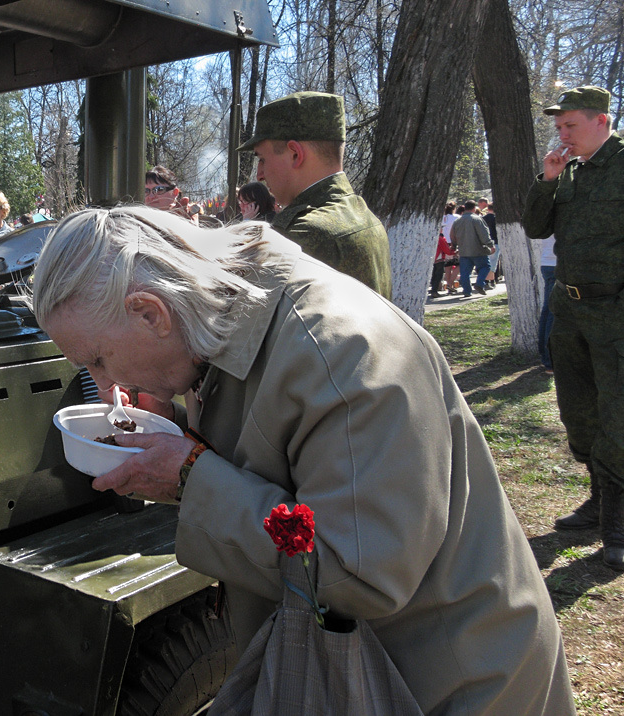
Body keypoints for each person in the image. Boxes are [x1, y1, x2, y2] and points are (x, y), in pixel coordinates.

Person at [32, 205, 574, 716]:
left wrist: (191, 473)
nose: (107, 385)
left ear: (151, 313)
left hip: (446, 684)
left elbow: (358, 573)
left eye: (98, 360)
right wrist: (183, 429)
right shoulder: (219, 320)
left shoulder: (342, 353)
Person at [521, 85, 624, 568]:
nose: (562, 135)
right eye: (558, 127)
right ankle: (598, 498)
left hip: (616, 313)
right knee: (578, 411)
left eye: (570, 126)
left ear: (601, 120)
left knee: (618, 416)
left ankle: (619, 521)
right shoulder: (570, 171)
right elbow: (536, 228)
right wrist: (549, 178)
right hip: (571, 309)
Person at [239, 91, 392, 299]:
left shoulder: (305, 234)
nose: (260, 174)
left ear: (295, 154)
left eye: (263, 159)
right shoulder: (364, 216)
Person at [450, 200, 495, 297]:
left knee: (465, 272)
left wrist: (454, 246)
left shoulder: (457, 221)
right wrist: (490, 245)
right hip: (478, 250)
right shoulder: (477, 219)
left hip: (464, 250)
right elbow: (484, 235)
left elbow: (452, 235)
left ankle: (467, 291)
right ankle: (479, 283)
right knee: (485, 266)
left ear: (464, 208)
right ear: (474, 208)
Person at [537, 235, 556, 371]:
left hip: (548, 262)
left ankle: (545, 356)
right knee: (552, 312)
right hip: (556, 264)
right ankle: (549, 359)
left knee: (548, 310)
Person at [482, 200, 500, 288]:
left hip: (484, 242)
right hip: (495, 242)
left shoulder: (483, 218)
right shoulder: (496, 219)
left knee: (486, 261)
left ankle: (489, 280)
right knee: (493, 262)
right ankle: (490, 280)